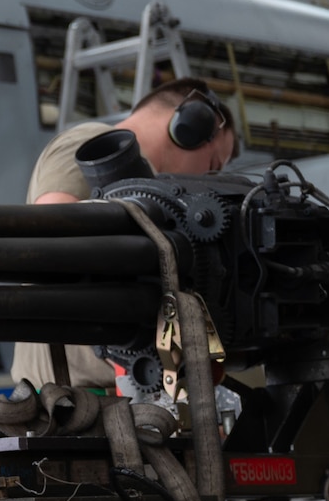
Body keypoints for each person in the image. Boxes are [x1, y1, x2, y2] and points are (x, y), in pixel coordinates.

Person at [13, 77, 238, 389]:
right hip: (75, 400)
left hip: (119, 395)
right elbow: (52, 247)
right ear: (189, 128)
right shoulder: (92, 144)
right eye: (212, 164)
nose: (206, 178)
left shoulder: (151, 192)